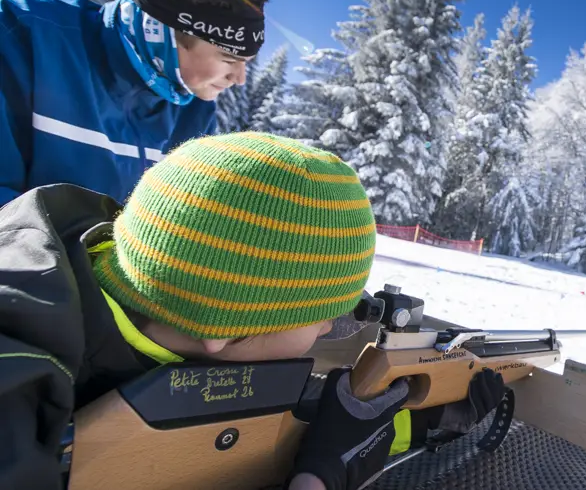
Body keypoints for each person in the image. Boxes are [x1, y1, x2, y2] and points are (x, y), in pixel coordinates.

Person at [0, 132, 505, 490]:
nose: (334, 325)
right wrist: (318, 478)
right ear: (222, 328)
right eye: (321, 315)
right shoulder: (14, 391)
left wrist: (414, 422)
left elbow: (247, 428)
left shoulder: (124, 283)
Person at [0, 0, 265, 206]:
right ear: (164, 36)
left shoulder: (193, 111)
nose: (239, 78)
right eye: (229, 58)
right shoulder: (21, 35)